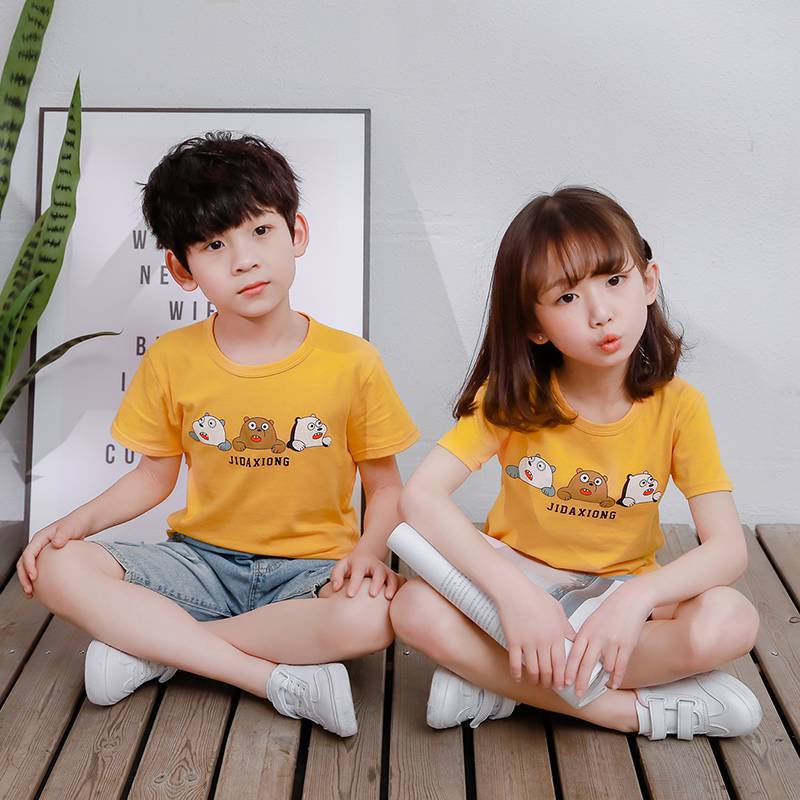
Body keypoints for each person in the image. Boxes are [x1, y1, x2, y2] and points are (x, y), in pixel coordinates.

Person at [17, 132, 419, 738]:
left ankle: (157, 650)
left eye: (261, 231)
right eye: (214, 245)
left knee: (374, 617)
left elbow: (385, 488)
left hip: (312, 573)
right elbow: (154, 477)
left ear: (296, 233)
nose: (244, 260)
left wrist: (367, 554)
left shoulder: (352, 361)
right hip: (200, 564)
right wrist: (75, 523)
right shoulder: (173, 359)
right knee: (54, 566)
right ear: (182, 269)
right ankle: (268, 677)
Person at [389, 186, 762, 741]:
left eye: (614, 280)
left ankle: (498, 684)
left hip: (617, 597)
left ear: (649, 282)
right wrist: (514, 596)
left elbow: (728, 549)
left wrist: (637, 598)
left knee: (732, 619)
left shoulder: (680, 408)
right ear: (534, 324)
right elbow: (420, 496)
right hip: (521, 584)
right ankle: (632, 712)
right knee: (411, 608)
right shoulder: (512, 399)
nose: (600, 313)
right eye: (566, 297)